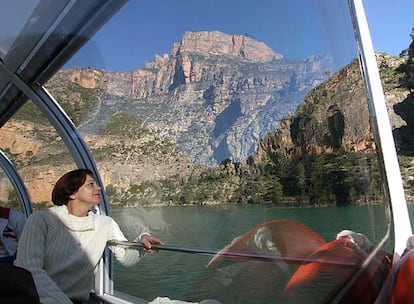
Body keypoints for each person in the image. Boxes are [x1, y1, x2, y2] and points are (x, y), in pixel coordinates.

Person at [15, 168, 164, 304]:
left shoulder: (104, 223)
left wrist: (141, 242)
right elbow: (28, 268)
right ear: (72, 193)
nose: (99, 188)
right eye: (91, 184)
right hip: (37, 299)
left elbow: (125, 257)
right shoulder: (42, 219)